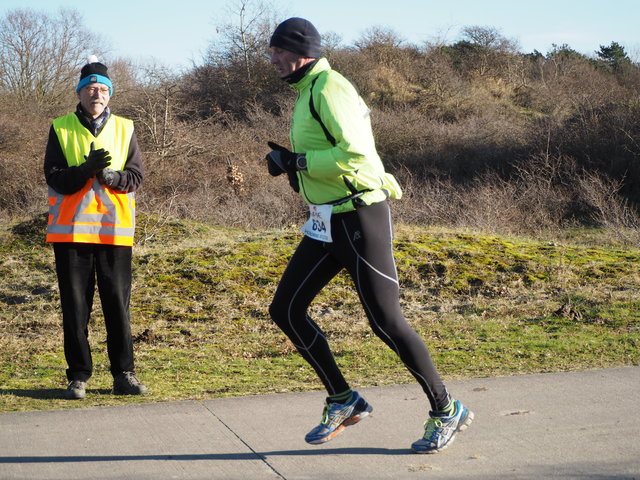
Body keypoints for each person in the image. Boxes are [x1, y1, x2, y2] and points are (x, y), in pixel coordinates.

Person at [265, 18, 473, 453]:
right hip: (327, 221)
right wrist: (290, 164)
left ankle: (446, 408)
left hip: (361, 215)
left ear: (301, 50)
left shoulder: (329, 88)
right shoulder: (307, 90)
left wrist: (298, 162)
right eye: (272, 52)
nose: (273, 59)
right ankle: (343, 399)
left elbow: (355, 152)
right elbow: (327, 152)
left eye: (279, 51)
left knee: (386, 321)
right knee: (285, 309)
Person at [44, 57, 147, 400]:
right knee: (75, 307)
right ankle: (78, 376)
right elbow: (55, 179)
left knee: (118, 305)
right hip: (71, 232)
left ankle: (124, 374)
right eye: (90, 88)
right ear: (79, 92)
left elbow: (135, 177)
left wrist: (114, 177)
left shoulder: (126, 127)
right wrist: (87, 169)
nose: (97, 94)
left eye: (103, 89)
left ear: (110, 95)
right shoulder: (60, 127)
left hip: (114, 232)